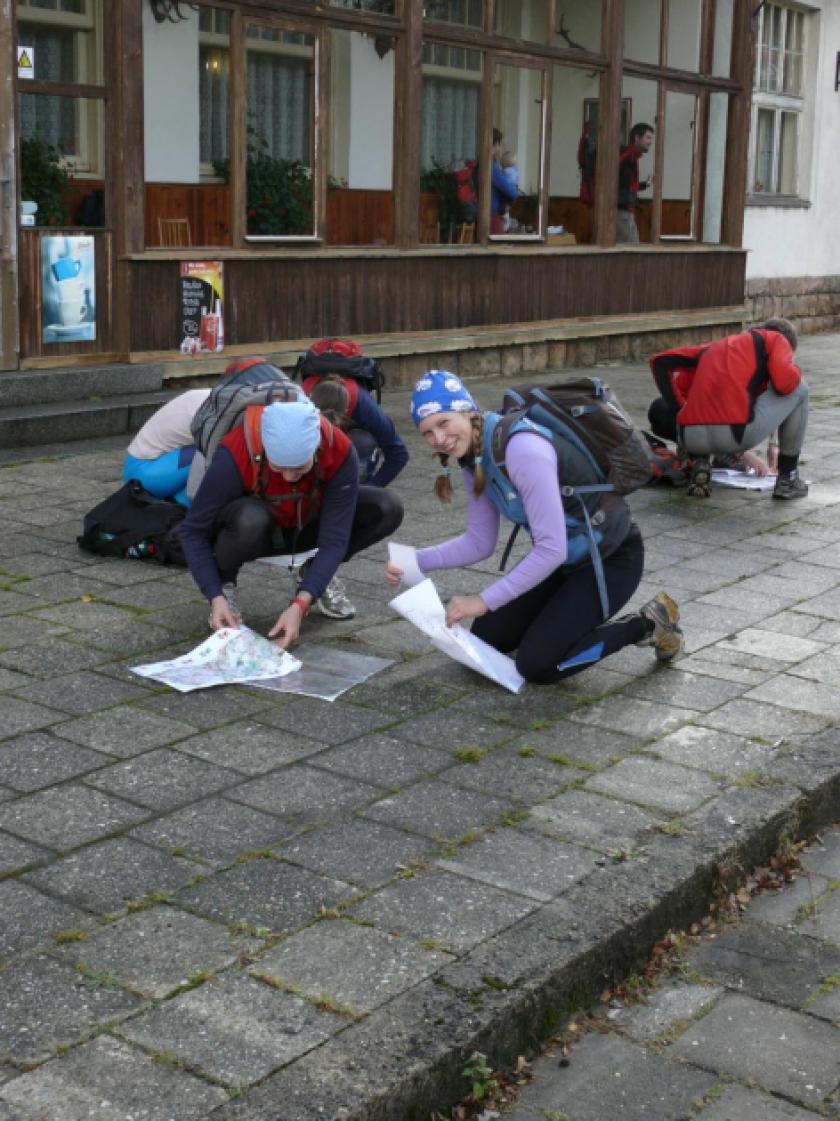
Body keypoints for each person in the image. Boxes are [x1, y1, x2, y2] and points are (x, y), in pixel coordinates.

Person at [384, 371, 684, 684]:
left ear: (467, 411)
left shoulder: (522, 449)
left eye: (443, 422)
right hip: (565, 562)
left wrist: (482, 601)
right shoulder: (474, 458)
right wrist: (414, 561)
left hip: (610, 559)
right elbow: (479, 542)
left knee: (538, 664)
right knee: (485, 640)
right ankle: (556, 626)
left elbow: (551, 549)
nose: (438, 439)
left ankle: (649, 624)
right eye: (427, 432)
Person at [181, 397, 403, 638]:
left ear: (317, 449)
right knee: (250, 519)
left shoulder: (338, 449)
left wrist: (301, 603)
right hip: (254, 531)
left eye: (300, 469)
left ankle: (314, 574)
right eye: (278, 467)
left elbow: (334, 540)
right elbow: (193, 530)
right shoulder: (236, 451)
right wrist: (214, 594)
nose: (288, 477)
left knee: (386, 506)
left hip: (304, 523)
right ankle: (226, 586)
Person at [647, 318, 808, 499]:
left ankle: (699, 459)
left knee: (673, 408)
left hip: (690, 436)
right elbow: (785, 386)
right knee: (799, 387)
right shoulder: (776, 340)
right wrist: (794, 369)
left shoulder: (717, 347)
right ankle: (788, 479)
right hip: (732, 434)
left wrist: (681, 413)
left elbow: (658, 362)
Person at [305, 373, 409, 488]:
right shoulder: (299, 403)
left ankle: (357, 485)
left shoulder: (364, 407)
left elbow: (399, 453)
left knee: (363, 443)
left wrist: (371, 489)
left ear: (347, 411)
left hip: (357, 440)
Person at [123, 388, 210, 506]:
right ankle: (182, 507)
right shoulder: (214, 409)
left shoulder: (210, 397)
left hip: (138, 468)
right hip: (144, 475)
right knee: (212, 453)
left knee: (209, 451)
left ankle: (179, 504)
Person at [617, 122, 654, 244]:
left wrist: (645, 184)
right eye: (648, 137)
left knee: (633, 246)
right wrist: (642, 185)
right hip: (622, 212)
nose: (650, 142)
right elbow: (625, 185)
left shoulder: (630, 156)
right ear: (637, 138)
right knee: (628, 248)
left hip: (625, 211)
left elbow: (628, 185)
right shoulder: (629, 157)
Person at [491, 129, 518, 235]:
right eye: (498, 145)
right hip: (492, 215)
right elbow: (511, 192)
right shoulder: (491, 167)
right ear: (495, 144)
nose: (498, 149)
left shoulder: (480, 164)